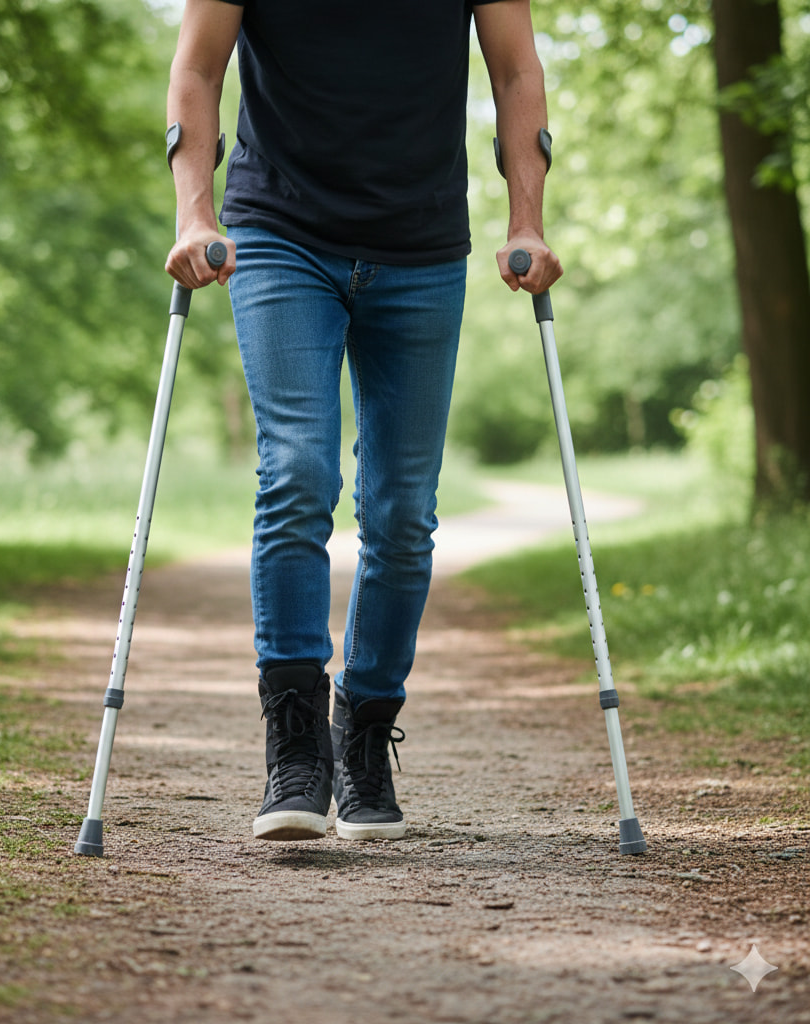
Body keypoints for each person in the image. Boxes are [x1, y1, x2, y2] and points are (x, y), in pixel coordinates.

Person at [165, 0, 563, 843]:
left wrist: (525, 220)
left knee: (401, 510)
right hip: (280, 232)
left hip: (420, 245)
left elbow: (517, 70)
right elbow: (198, 68)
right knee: (298, 472)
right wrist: (194, 213)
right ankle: (297, 747)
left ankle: (366, 734)